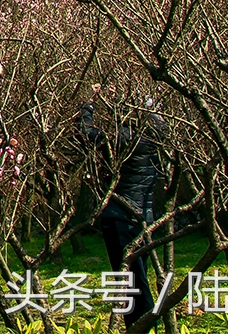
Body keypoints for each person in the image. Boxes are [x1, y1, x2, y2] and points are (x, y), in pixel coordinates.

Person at [81, 98, 165, 322]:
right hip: (143, 216)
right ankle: (141, 322)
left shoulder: (126, 139)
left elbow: (88, 134)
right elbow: (161, 125)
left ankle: (143, 322)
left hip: (121, 217)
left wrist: (87, 107)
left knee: (131, 279)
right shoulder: (154, 138)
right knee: (137, 276)